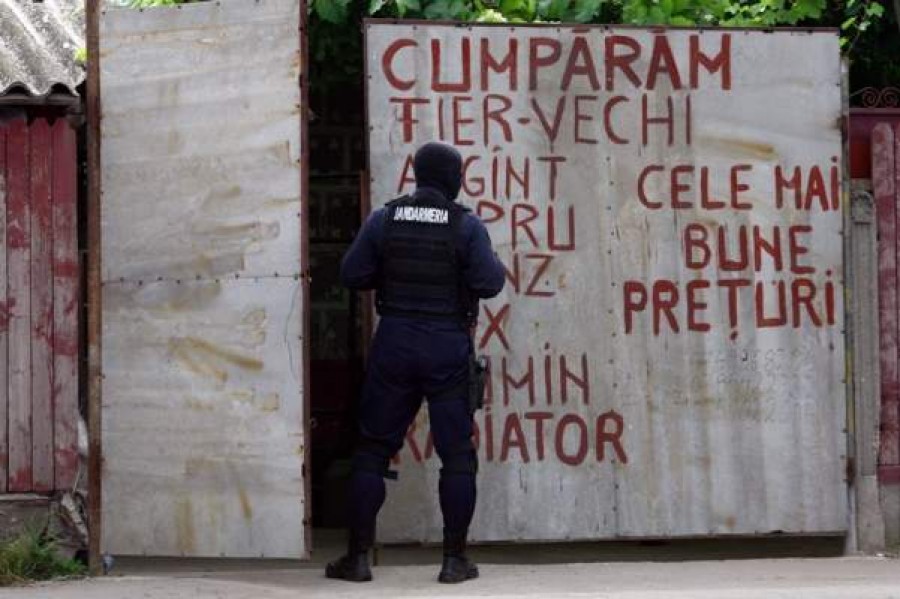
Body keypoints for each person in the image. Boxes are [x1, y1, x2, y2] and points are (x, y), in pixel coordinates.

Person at [326, 142, 505, 584]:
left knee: (371, 449)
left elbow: (352, 274)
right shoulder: (465, 226)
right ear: (454, 178)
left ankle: (358, 559)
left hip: (396, 342)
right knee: (457, 456)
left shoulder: (384, 219)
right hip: (446, 345)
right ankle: (453, 561)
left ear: (417, 174)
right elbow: (490, 282)